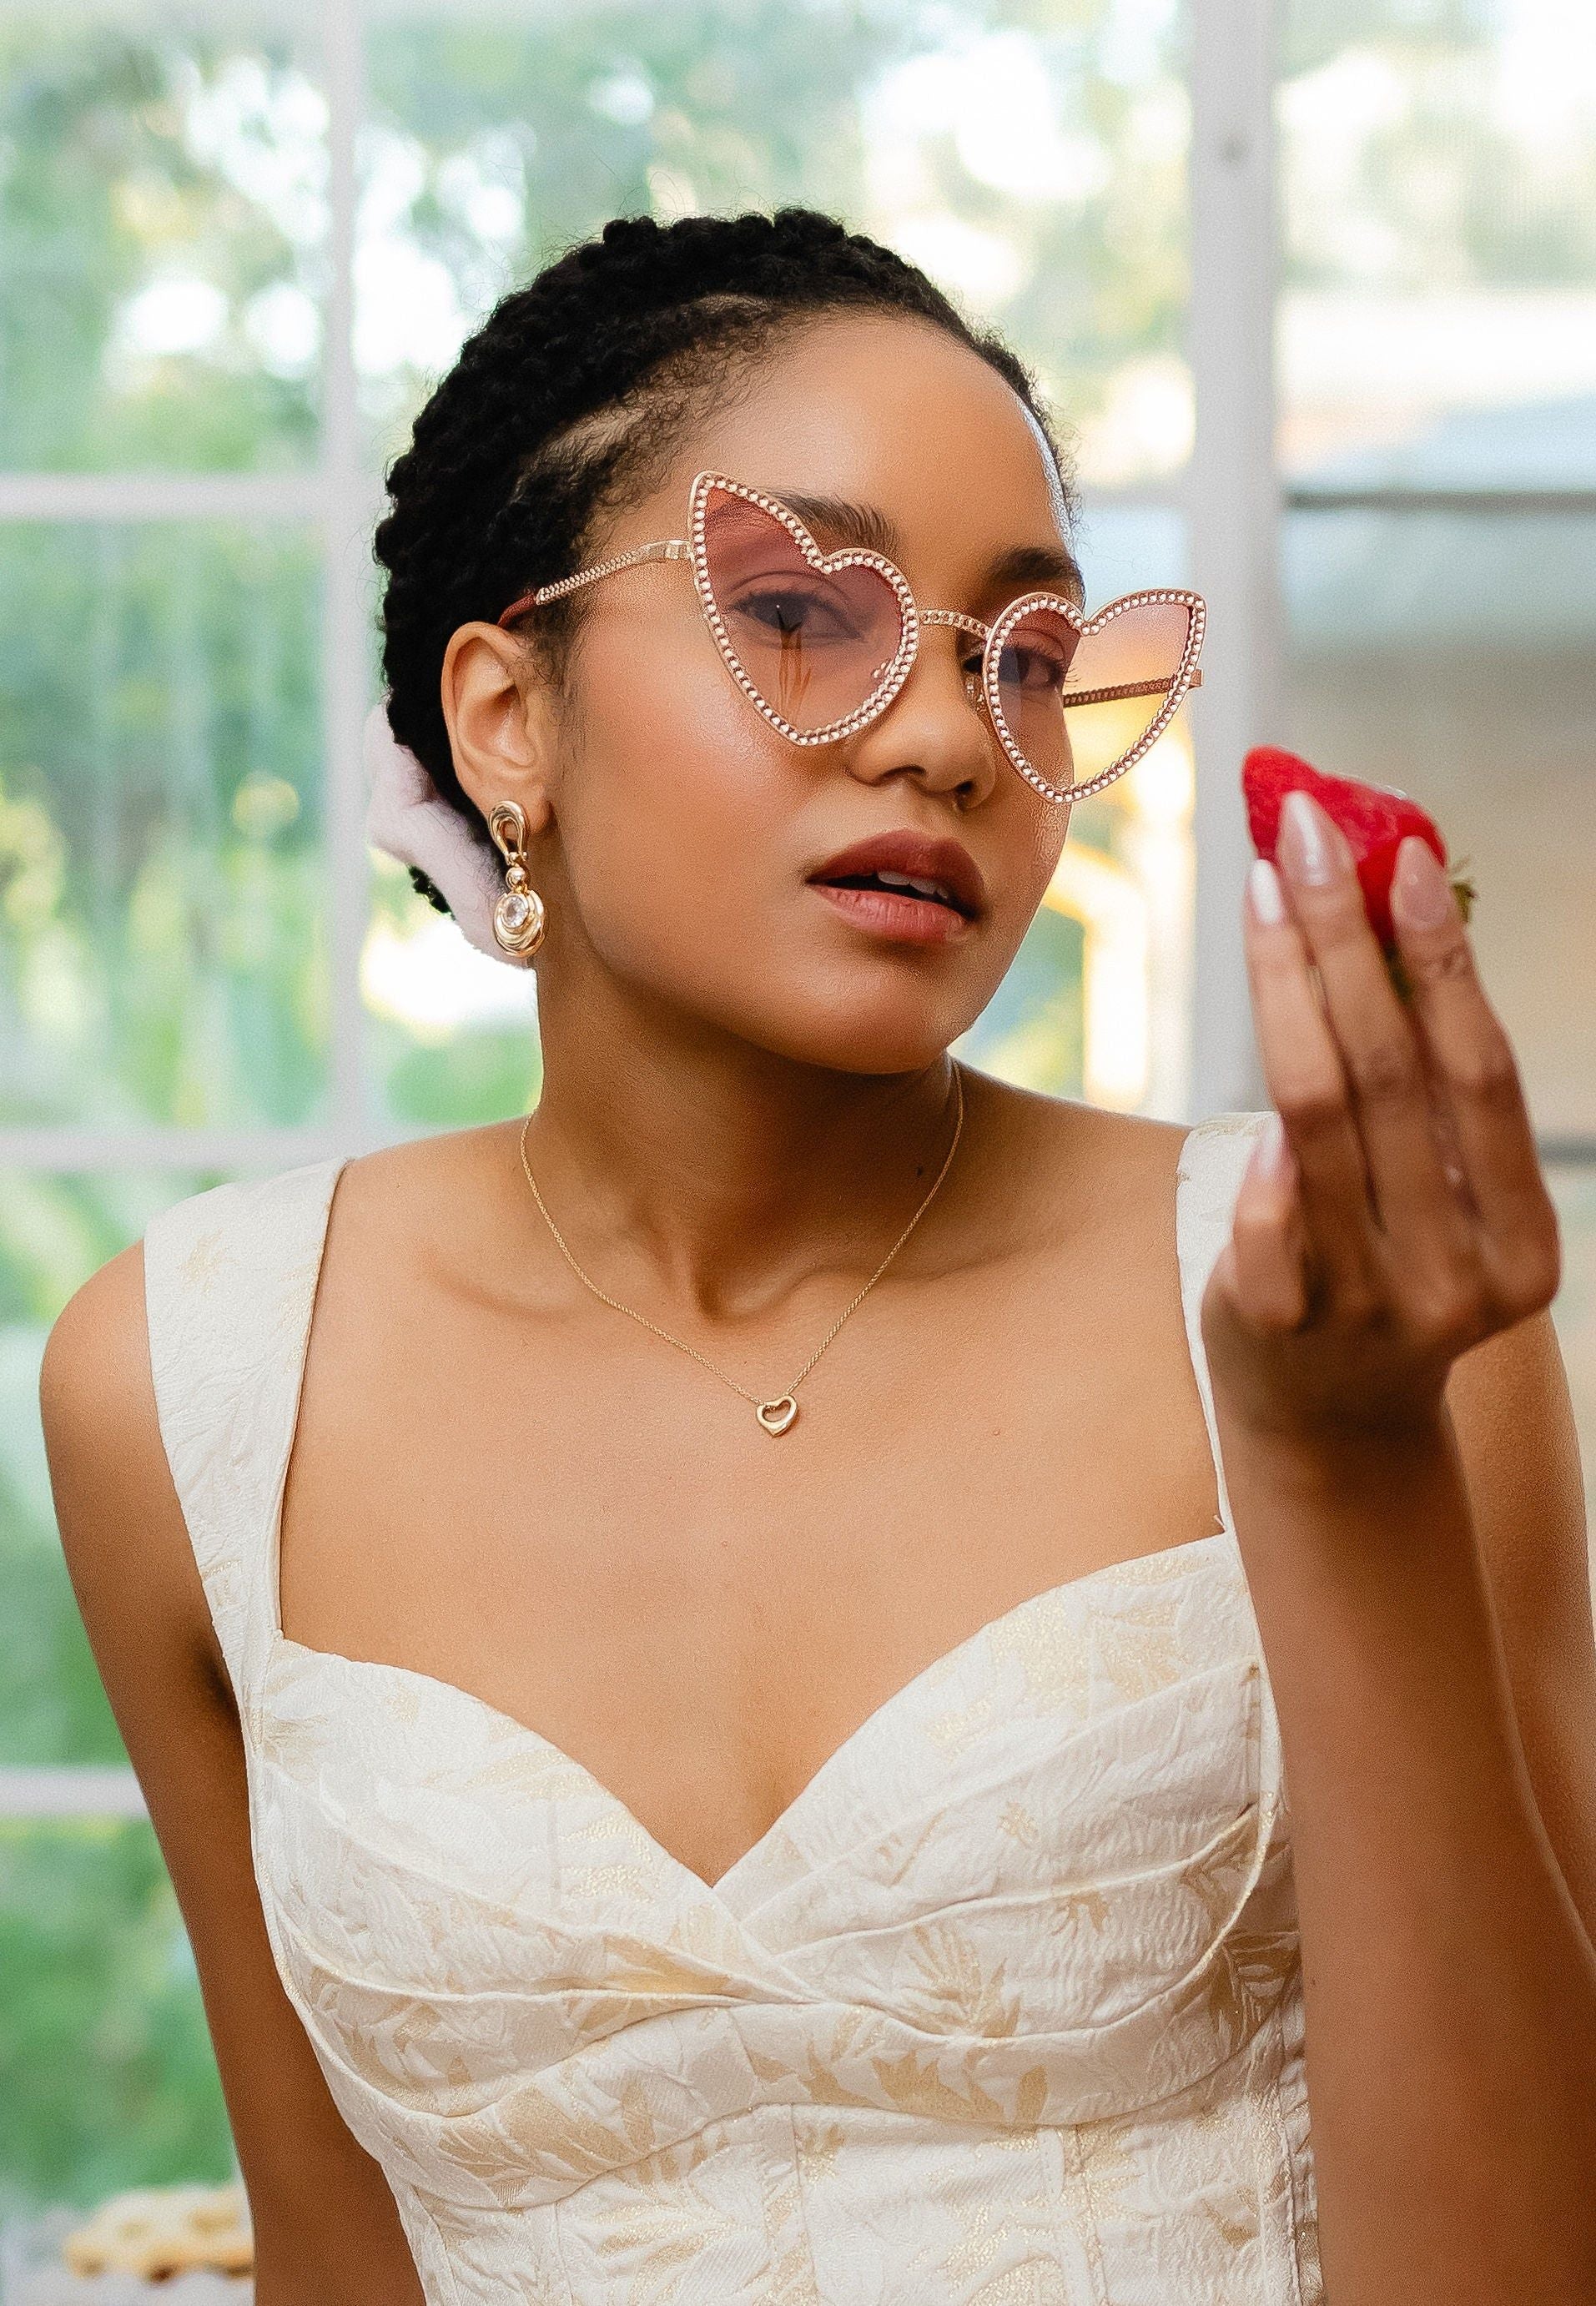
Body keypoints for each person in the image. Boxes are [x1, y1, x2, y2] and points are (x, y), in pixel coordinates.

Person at [39, 209, 1596, 2306]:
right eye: (798, 611)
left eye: (1028, 659)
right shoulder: (192, 1382)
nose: (951, 737)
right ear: (503, 713)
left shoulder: (1335, 1301)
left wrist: (1346, 1457)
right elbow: (336, 2256)